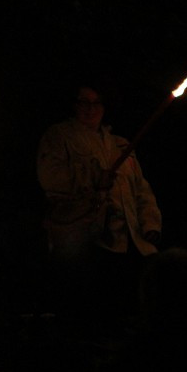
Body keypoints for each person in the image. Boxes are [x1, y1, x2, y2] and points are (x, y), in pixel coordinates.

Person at [36, 85, 162, 323]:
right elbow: (49, 177)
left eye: (96, 103)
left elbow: (141, 190)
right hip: (88, 240)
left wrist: (150, 223)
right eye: (84, 102)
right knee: (91, 315)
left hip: (131, 243)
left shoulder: (121, 145)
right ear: (74, 105)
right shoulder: (60, 136)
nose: (90, 109)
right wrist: (92, 177)